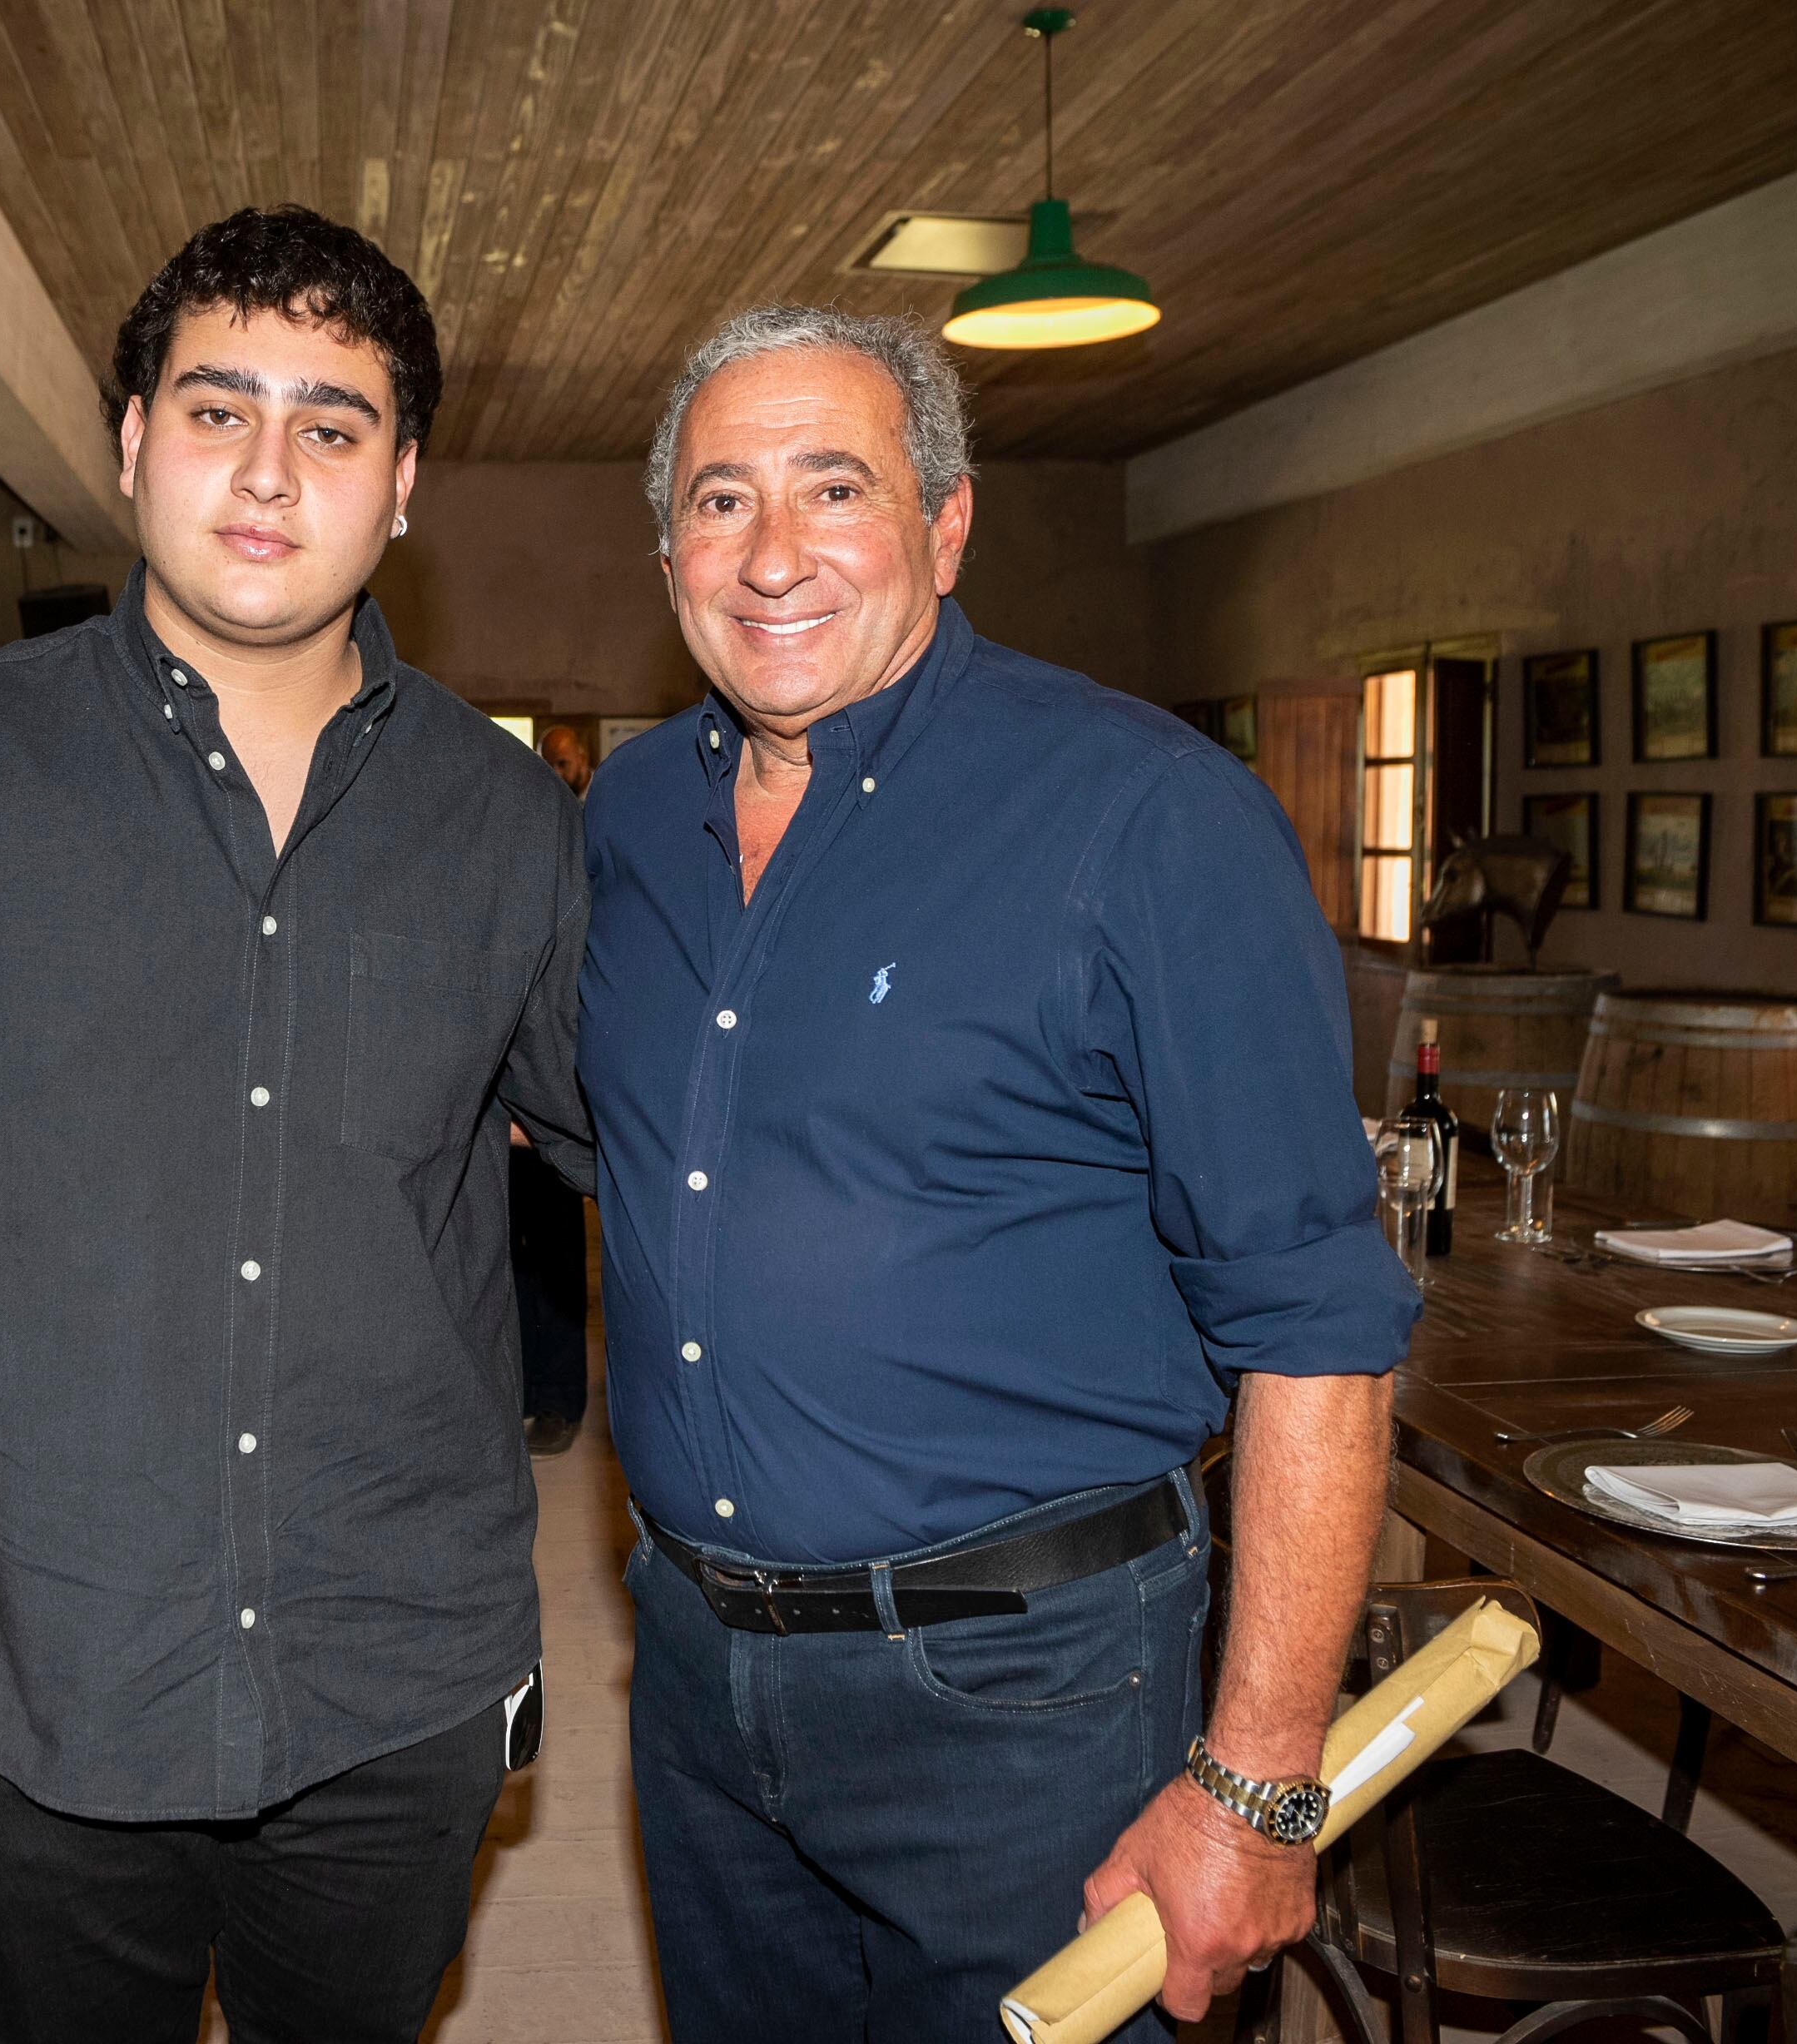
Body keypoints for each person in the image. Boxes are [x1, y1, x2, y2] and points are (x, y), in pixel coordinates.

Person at [0, 205, 589, 2044]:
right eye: (216, 411)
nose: (270, 472)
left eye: (332, 426)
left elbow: (646, 1150)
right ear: (128, 441)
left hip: (394, 1659)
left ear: (403, 481)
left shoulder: (513, 821)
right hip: (34, 1658)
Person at [579, 307, 1417, 2043]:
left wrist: (1259, 1779)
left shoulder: (1146, 816)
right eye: (720, 502)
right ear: (669, 551)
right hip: (693, 1673)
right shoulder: (630, 815)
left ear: (946, 529)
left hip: (1023, 1691)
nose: (774, 553)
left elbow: (1318, 1321)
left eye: (834, 488)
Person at [515, 722, 596, 1456]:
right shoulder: (526, 828)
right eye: (548, 758)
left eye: (565, 759)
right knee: (505, 1252)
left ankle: (558, 1400)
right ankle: (516, 1388)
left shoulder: (598, 829)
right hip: (505, 1078)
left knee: (555, 1250)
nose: (555, 768)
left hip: (557, 1073)